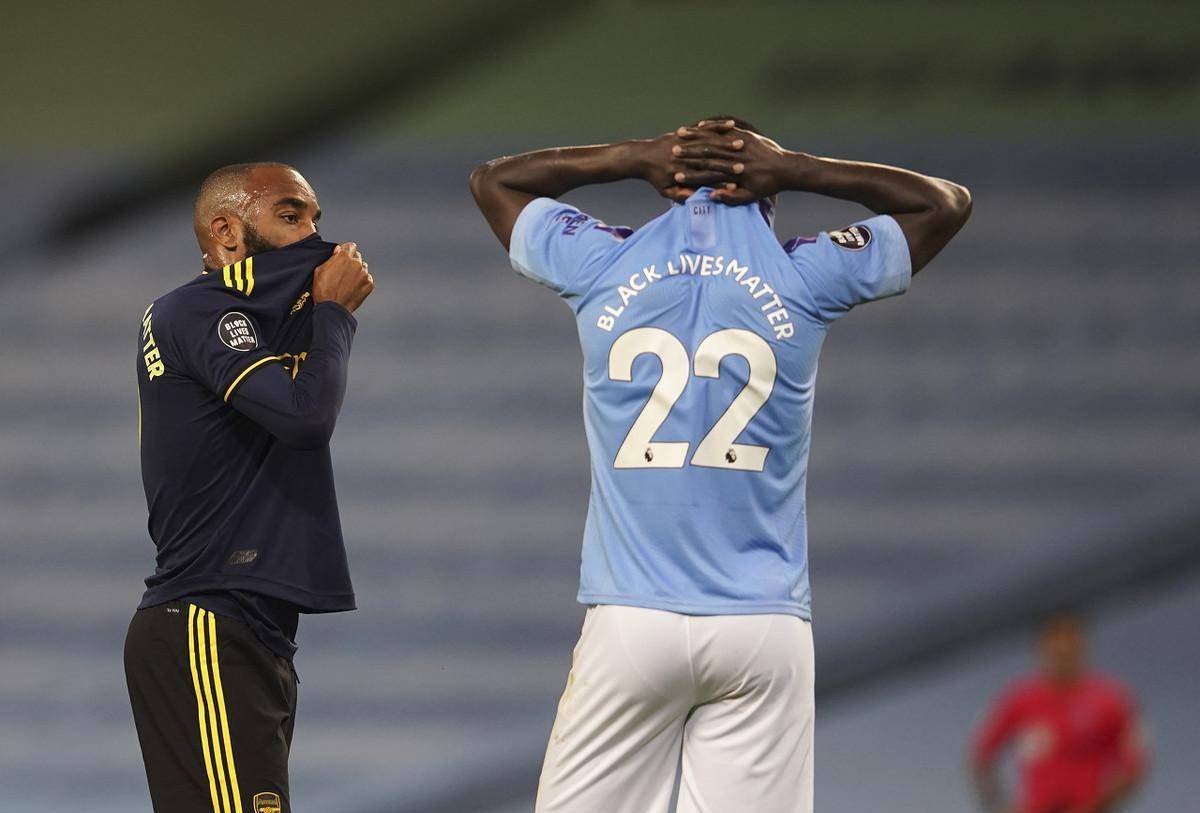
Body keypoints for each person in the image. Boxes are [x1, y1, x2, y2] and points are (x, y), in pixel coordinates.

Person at [470, 118, 971, 812]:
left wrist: (634, 157)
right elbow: (945, 204)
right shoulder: (803, 275)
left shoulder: (603, 263)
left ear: (672, 184)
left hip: (632, 616)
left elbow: (494, 182)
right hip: (761, 621)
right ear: (767, 192)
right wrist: (797, 167)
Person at [124, 162, 374, 813]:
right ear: (227, 233)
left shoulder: (247, 321)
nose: (313, 234)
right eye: (290, 215)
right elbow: (305, 418)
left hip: (246, 629)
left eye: (316, 218)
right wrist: (333, 314)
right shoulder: (196, 309)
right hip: (209, 619)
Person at [971, 612, 1148, 813]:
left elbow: (1133, 767)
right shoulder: (1019, 700)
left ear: (1082, 646)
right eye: (1056, 641)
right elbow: (981, 756)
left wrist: (1099, 806)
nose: (1063, 649)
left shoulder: (1112, 699)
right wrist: (997, 806)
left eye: (1070, 640)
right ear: (1041, 647)